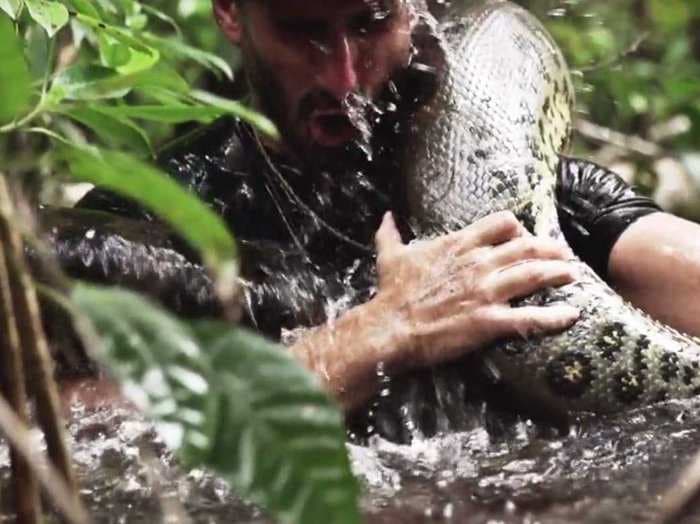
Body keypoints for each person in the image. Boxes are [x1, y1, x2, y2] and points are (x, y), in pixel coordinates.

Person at [56, 0, 700, 429]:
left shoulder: (532, 196)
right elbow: (52, 432)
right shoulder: (158, 214)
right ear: (230, 11)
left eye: (369, 22)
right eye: (300, 28)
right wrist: (376, 336)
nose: (342, 75)